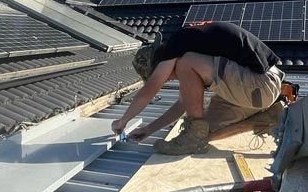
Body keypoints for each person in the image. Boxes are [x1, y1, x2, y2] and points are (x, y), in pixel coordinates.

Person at [111, 21, 285, 155]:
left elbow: (150, 89)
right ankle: (267, 117)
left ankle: (193, 136)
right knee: (205, 134)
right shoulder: (191, 45)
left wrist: (123, 120)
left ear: (158, 66)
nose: (169, 79)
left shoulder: (178, 46)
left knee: (185, 63)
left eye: (165, 77)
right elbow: (183, 104)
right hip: (257, 91)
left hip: (261, 82)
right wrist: (148, 130)